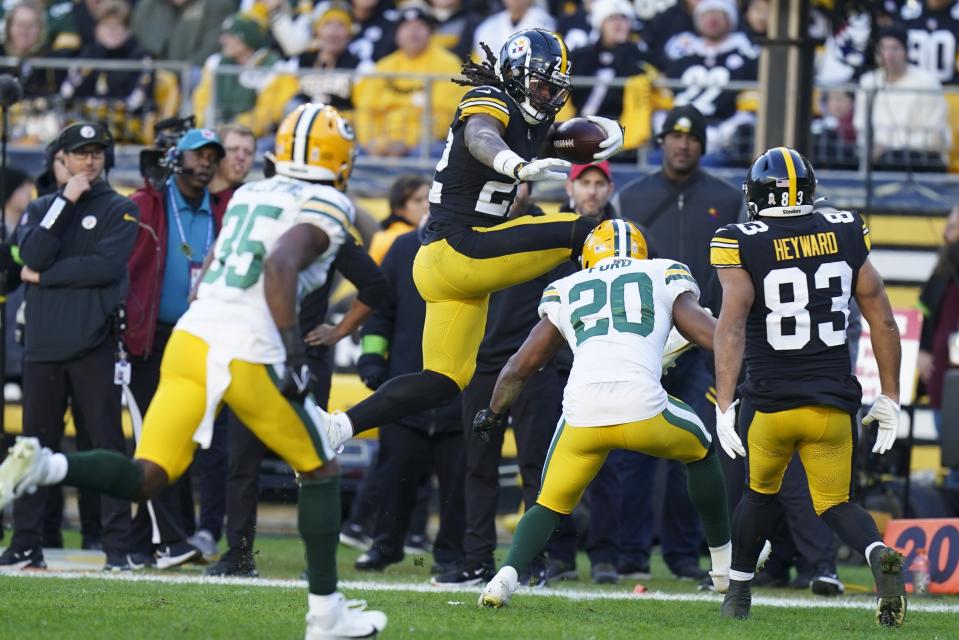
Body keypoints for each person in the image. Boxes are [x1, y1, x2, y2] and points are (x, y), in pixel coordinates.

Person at [0, 104, 388, 639]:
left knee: (147, 476)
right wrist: (296, 356)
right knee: (320, 469)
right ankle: (326, 616)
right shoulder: (326, 200)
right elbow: (280, 265)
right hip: (245, 348)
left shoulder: (250, 192)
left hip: (191, 336)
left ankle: (44, 465)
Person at [320, 28, 624, 455]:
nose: (547, 96)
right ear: (515, 75)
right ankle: (636, 336)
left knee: (443, 381)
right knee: (596, 231)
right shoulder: (490, 99)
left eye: (554, 89)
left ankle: (339, 425)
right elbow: (481, 136)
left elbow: (564, 140)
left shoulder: (528, 120)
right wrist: (514, 166)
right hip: (463, 247)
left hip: (446, 265)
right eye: (540, 84)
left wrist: (606, 134)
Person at [478, 219, 732, 608]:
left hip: (582, 413)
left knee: (548, 502)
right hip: (644, 407)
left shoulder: (566, 288)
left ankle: (504, 578)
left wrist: (493, 414)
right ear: (642, 252)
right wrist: (746, 360)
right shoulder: (662, 272)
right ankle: (722, 568)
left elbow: (520, 366)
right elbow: (710, 335)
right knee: (702, 452)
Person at [711, 147, 907, 627]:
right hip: (832, 406)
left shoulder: (739, 239)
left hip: (771, 404)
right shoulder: (843, 229)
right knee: (837, 503)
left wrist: (724, 400)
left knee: (758, 495)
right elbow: (882, 318)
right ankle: (877, 550)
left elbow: (732, 325)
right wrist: (890, 395)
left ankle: (738, 593)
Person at [0, 122, 139, 571]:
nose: (90, 161)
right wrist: (66, 201)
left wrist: (45, 278)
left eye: (97, 152)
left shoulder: (121, 209)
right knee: (32, 447)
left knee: (106, 446)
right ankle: (25, 544)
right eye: (80, 153)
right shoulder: (43, 206)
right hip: (42, 347)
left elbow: (106, 267)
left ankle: (118, 548)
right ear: (64, 158)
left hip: (94, 345)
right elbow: (34, 255)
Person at [614, 104, 743, 582]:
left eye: (692, 137)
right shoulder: (633, 195)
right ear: (661, 140)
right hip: (643, 341)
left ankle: (684, 554)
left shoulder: (727, 199)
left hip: (702, 342)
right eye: (674, 135)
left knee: (695, 448)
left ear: (702, 145)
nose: (683, 143)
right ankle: (630, 553)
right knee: (633, 449)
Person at [125, 127, 227, 569]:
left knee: (182, 437)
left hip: (201, 339)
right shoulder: (145, 204)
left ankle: (163, 537)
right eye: (197, 155)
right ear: (174, 160)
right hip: (149, 340)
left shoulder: (227, 210)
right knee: (154, 437)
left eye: (212, 156)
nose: (205, 163)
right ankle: (153, 538)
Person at [354, 216, 465, 573]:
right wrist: (372, 357)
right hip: (405, 390)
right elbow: (380, 310)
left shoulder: (482, 250)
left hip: (460, 394)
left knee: (458, 486)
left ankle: (452, 555)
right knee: (393, 477)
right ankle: (384, 546)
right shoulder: (403, 248)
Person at [352, 4, 463, 157]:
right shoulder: (384, 66)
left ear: (430, 31)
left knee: (430, 152)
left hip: (423, 146)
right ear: (397, 33)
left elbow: (447, 116)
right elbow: (366, 111)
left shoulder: (448, 64)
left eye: (419, 27)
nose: (413, 32)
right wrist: (375, 143)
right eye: (407, 27)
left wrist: (409, 143)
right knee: (356, 153)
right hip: (382, 146)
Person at [854, 25, 950, 172]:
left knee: (892, 158)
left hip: (921, 158)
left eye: (895, 48)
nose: (889, 54)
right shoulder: (868, 81)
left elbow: (934, 139)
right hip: (878, 158)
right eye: (883, 48)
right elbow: (861, 127)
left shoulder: (927, 82)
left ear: (906, 52)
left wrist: (888, 146)